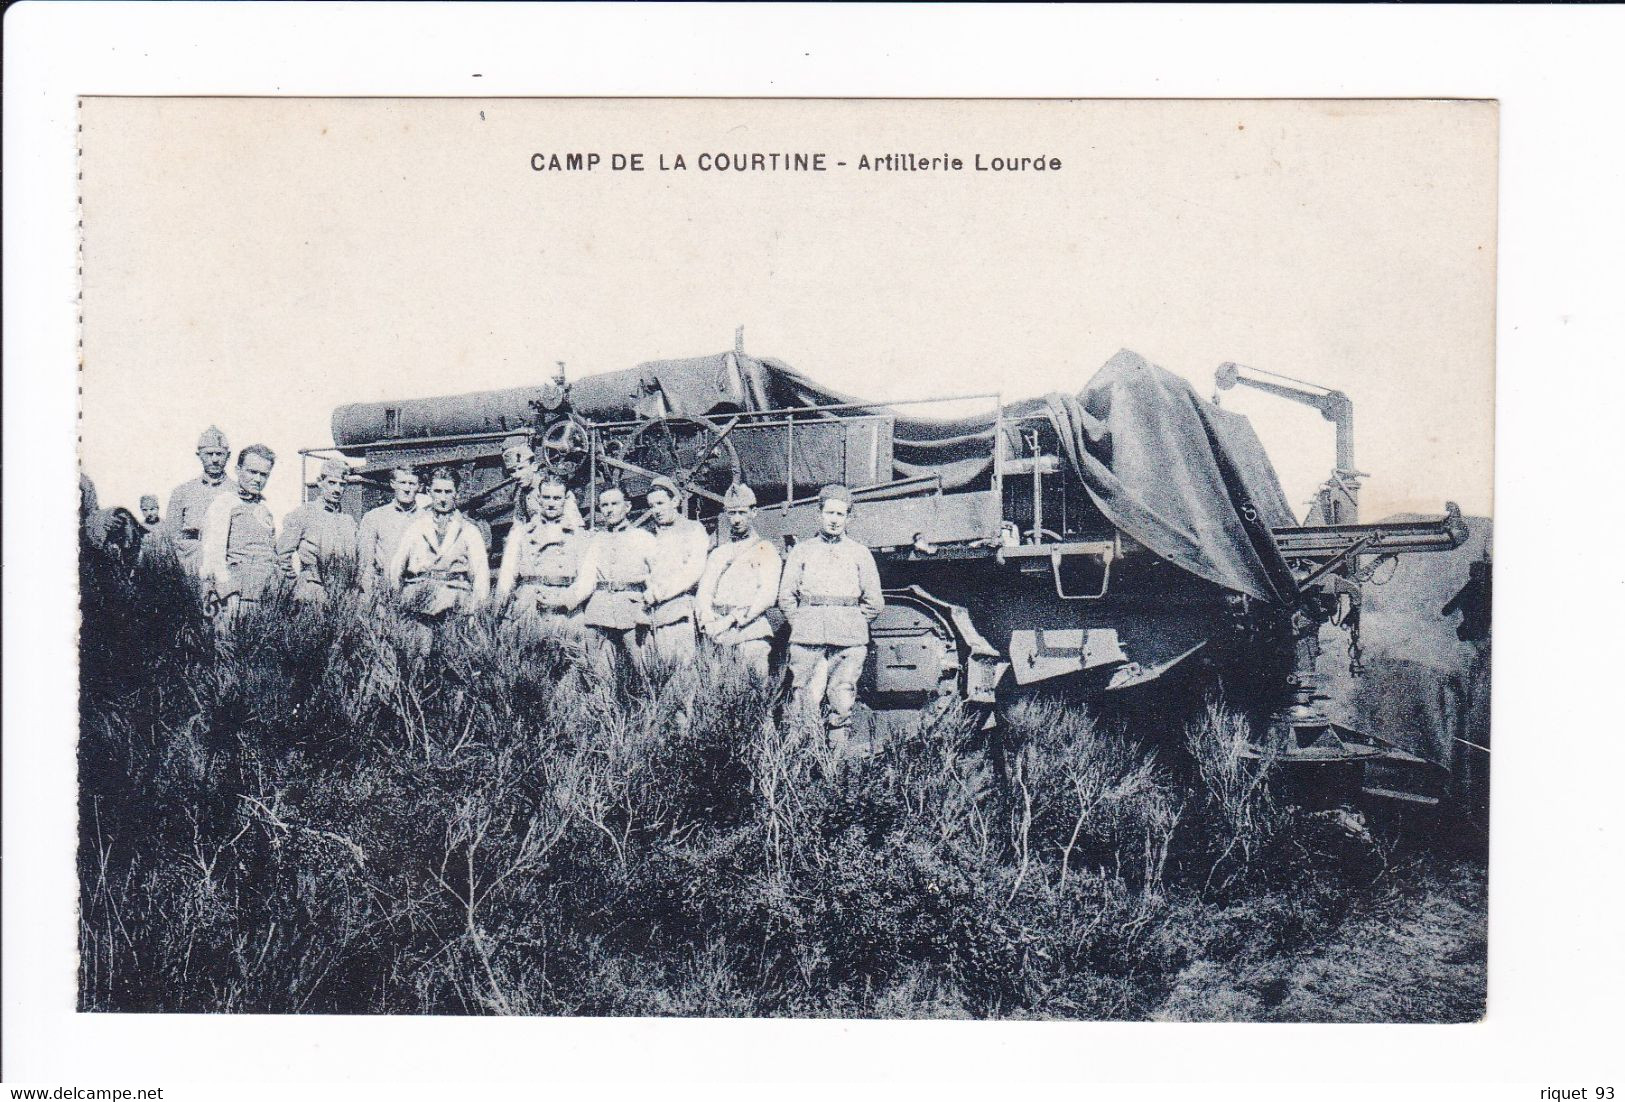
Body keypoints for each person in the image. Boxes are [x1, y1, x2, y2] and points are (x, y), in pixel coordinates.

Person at [778, 484, 884, 740]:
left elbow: (874, 602)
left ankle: (834, 769)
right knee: (803, 703)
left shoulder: (860, 553)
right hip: (808, 639)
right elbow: (786, 597)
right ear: (819, 513)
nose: (835, 520)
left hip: (848, 640)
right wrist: (803, 622)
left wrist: (852, 621)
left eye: (841, 514)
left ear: (847, 517)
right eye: (830, 513)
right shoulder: (802, 551)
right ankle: (798, 768)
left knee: (842, 702)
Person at [388, 467, 490, 640]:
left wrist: (475, 614)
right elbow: (396, 569)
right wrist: (397, 605)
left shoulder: (469, 530)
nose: (442, 498)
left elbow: (480, 577)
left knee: (451, 659)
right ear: (429, 492)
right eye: (438, 491)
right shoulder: (416, 526)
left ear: (456, 493)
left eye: (448, 492)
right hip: (418, 605)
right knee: (417, 658)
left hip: (455, 605)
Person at [697, 483, 782, 680]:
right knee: (715, 693)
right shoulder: (719, 553)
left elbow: (767, 596)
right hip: (717, 633)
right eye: (731, 513)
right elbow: (705, 591)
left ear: (754, 512)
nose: (736, 520)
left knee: (751, 696)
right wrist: (707, 620)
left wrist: (731, 620)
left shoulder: (766, 550)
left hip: (749, 632)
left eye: (742, 513)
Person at [495, 475, 597, 637]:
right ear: (539, 499)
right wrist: (500, 610)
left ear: (566, 499)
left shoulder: (579, 535)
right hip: (528, 606)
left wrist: (566, 600)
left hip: (565, 610)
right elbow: (507, 577)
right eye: (546, 497)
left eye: (557, 498)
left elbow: (587, 579)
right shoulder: (521, 533)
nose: (551, 503)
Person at [199, 444, 281, 626]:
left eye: (263, 474)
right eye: (252, 472)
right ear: (238, 470)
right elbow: (213, 556)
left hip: (264, 598)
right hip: (235, 600)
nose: (257, 479)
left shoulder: (264, 509)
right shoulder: (224, 503)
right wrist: (229, 593)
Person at [581, 485, 657, 657]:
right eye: (604, 505)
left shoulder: (643, 538)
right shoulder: (596, 540)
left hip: (632, 611)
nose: (609, 510)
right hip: (598, 611)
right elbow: (586, 578)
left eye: (614, 504)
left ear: (627, 507)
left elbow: (657, 576)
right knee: (599, 673)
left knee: (643, 668)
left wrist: (647, 604)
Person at [641, 475, 710, 659]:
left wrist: (659, 593)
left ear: (675, 501)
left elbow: (693, 572)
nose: (656, 510)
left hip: (679, 613)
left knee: (681, 673)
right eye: (652, 506)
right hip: (651, 617)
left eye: (660, 503)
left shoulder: (693, 530)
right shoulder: (647, 535)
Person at [278, 458, 360, 604]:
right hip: (312, 595)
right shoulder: (304, 513)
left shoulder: (349, 522)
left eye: (342, 485)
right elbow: (281, 556)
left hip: (343, 597)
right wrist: (298, 587)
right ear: (320, 482)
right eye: (331, 483)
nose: (336, 489)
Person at [165, 426, 239, 576]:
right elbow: (171, 538)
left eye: (219, 454)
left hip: (226, 568)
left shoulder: (237, 492)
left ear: (228, 455)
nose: (215, 459)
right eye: (209, 454)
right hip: (189, 567)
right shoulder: (182, 492)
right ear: (199, 455)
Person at [355, 467, 421, 598]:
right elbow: (365, 563)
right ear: (393, 484)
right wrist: (370, 597)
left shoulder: (427, 519)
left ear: (419, 487)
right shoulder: (374, 517)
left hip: (415, 593)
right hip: (382, 593)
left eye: (412, 484)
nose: (407, 489)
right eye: (402, 483)